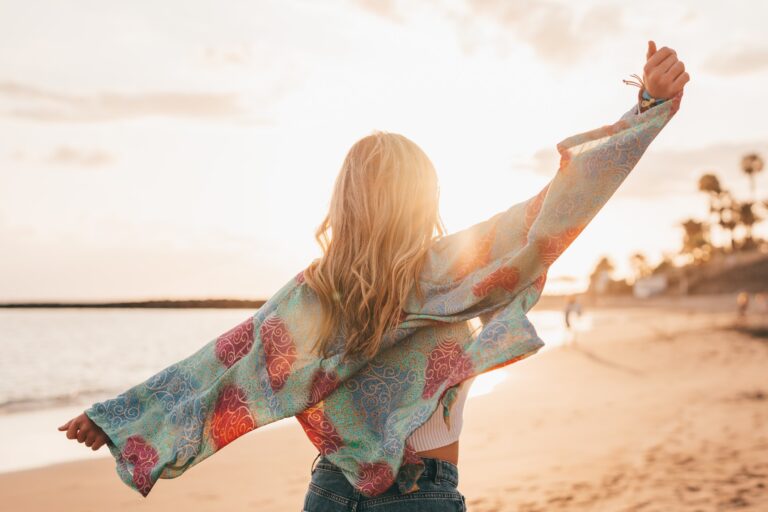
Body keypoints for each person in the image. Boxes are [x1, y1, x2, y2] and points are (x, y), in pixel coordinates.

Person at [58, 41, 689, 510]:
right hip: (422, 496)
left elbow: (224, 362)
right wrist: (647, 106)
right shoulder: (457, 263)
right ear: (425, 197)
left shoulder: (317, 293)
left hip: (331, 493)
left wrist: (121, 418)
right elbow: (564, 200)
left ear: (346, 201)